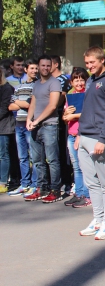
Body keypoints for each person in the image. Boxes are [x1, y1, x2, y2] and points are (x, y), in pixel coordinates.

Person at [77, 46, 105, 240]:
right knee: (91, 183)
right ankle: (97, 219)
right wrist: (79, 134)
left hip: (100, 138)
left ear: (102, 60)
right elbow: (87, 108)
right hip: (85, 136)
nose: (89, 66)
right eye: (87, 63)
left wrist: (102, 139)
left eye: (92, 62)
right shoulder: (90, 80)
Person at [24, 55, 63, 203]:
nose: (45, 68)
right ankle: (41, 188)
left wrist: (37, 120)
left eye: (48, 65)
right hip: (36, 126)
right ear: (39, 66)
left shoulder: (54, 83)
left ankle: (55, 190)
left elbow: (53, 106)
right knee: (37, 160)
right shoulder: (37, 84)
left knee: (52, 159)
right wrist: (29, 119)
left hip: (49, 126)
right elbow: (33, 104)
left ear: (51, 66)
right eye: (43, 65)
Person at [7, 59, 39, 197]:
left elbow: (30, 104)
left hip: (30, 124)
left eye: (36, 68)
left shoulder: (38, 85)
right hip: (18, 124)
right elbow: (11, 106)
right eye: (32, 68)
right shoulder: (19, 87)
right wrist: (23, 103)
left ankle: (35, 184)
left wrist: (19, 102)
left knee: (34, 156)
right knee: (22, 157)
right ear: (26, 70)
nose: (34, 71)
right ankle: (25, 184)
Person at [61, 68, 91, 208]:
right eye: (76, 80)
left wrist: (73, 116)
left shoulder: (88, 94)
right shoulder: (70, 96)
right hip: (71, 135)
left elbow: (89, 113)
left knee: (85, 166)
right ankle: (78, 193)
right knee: (76, 167)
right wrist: (66, 114)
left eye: (82, 79)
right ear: (71, 82)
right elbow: (65, 118)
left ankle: (87, 195)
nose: (79, 83)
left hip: (83, 134)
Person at [51, 55, 73, 195]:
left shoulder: (63, 79)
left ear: (55, 65)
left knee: (64, 150)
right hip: (50, 119)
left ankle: (67, 181)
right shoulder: (47, 80)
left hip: (61, 117)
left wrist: (51, 104)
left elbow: (61, 98)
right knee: (55, 152)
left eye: (49, 64)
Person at [0, 71, 16, 193]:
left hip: (4, 127)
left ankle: (3, 182)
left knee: (3, 155)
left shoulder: (6, 88)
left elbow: (4, 108)